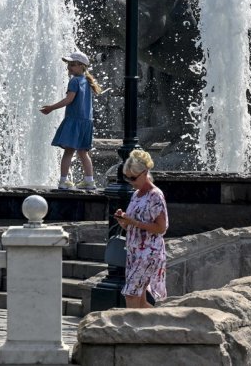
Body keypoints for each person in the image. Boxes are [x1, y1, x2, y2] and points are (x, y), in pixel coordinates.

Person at [40, 51, 103, 190]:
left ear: (82, 66)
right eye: (69, 65)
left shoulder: (74, 81)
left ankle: (63, 181)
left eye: (73, 65)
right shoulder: (86, 81)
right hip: (86, 121)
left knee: (69, 151)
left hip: (74, 121)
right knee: (83, 152)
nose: (69, 68)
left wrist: (51, 108)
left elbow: (69, 99)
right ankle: (89, 180)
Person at [114, 149, 168, 309]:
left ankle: (130, 332)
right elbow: (131, 224)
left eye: (133, 177)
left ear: (145, 173)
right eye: (127, 177)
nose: (130, 181)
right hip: (134, 251)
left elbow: (161, 228)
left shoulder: (155, 196)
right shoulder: (136, 194)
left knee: (131, 294)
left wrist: (134, 222)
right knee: (141, 301)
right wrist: (123, 220)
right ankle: (160, 327)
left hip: (149, 252)